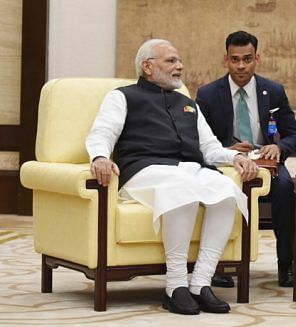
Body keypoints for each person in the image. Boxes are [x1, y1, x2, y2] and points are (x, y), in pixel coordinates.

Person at [86, 39, 259, 315]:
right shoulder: (122, 96)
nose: (179, 66)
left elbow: (210, 148)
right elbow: (102, 133)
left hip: (189, 169)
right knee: (182, 188)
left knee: (227, 192)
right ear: (148, 67)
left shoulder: (189, 104)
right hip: (144, 171)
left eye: (179, 61)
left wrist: (235, 157)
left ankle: (201, 282)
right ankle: (175, 285)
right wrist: (100, 157)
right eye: (171, 61)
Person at [196, 30, 296, 288]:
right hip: (226, 164)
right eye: (235, 59)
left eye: (247, 59)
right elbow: (196, 140)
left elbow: (295, 135)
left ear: (258, 58)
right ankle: (219, 266)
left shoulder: (274, 91)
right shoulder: (208, 94)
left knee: (286, 189)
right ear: (226, 60)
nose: (241, 66)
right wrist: (227, 149)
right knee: (212, 190)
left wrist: (279, 149)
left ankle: (286, 265)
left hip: (266, 164)